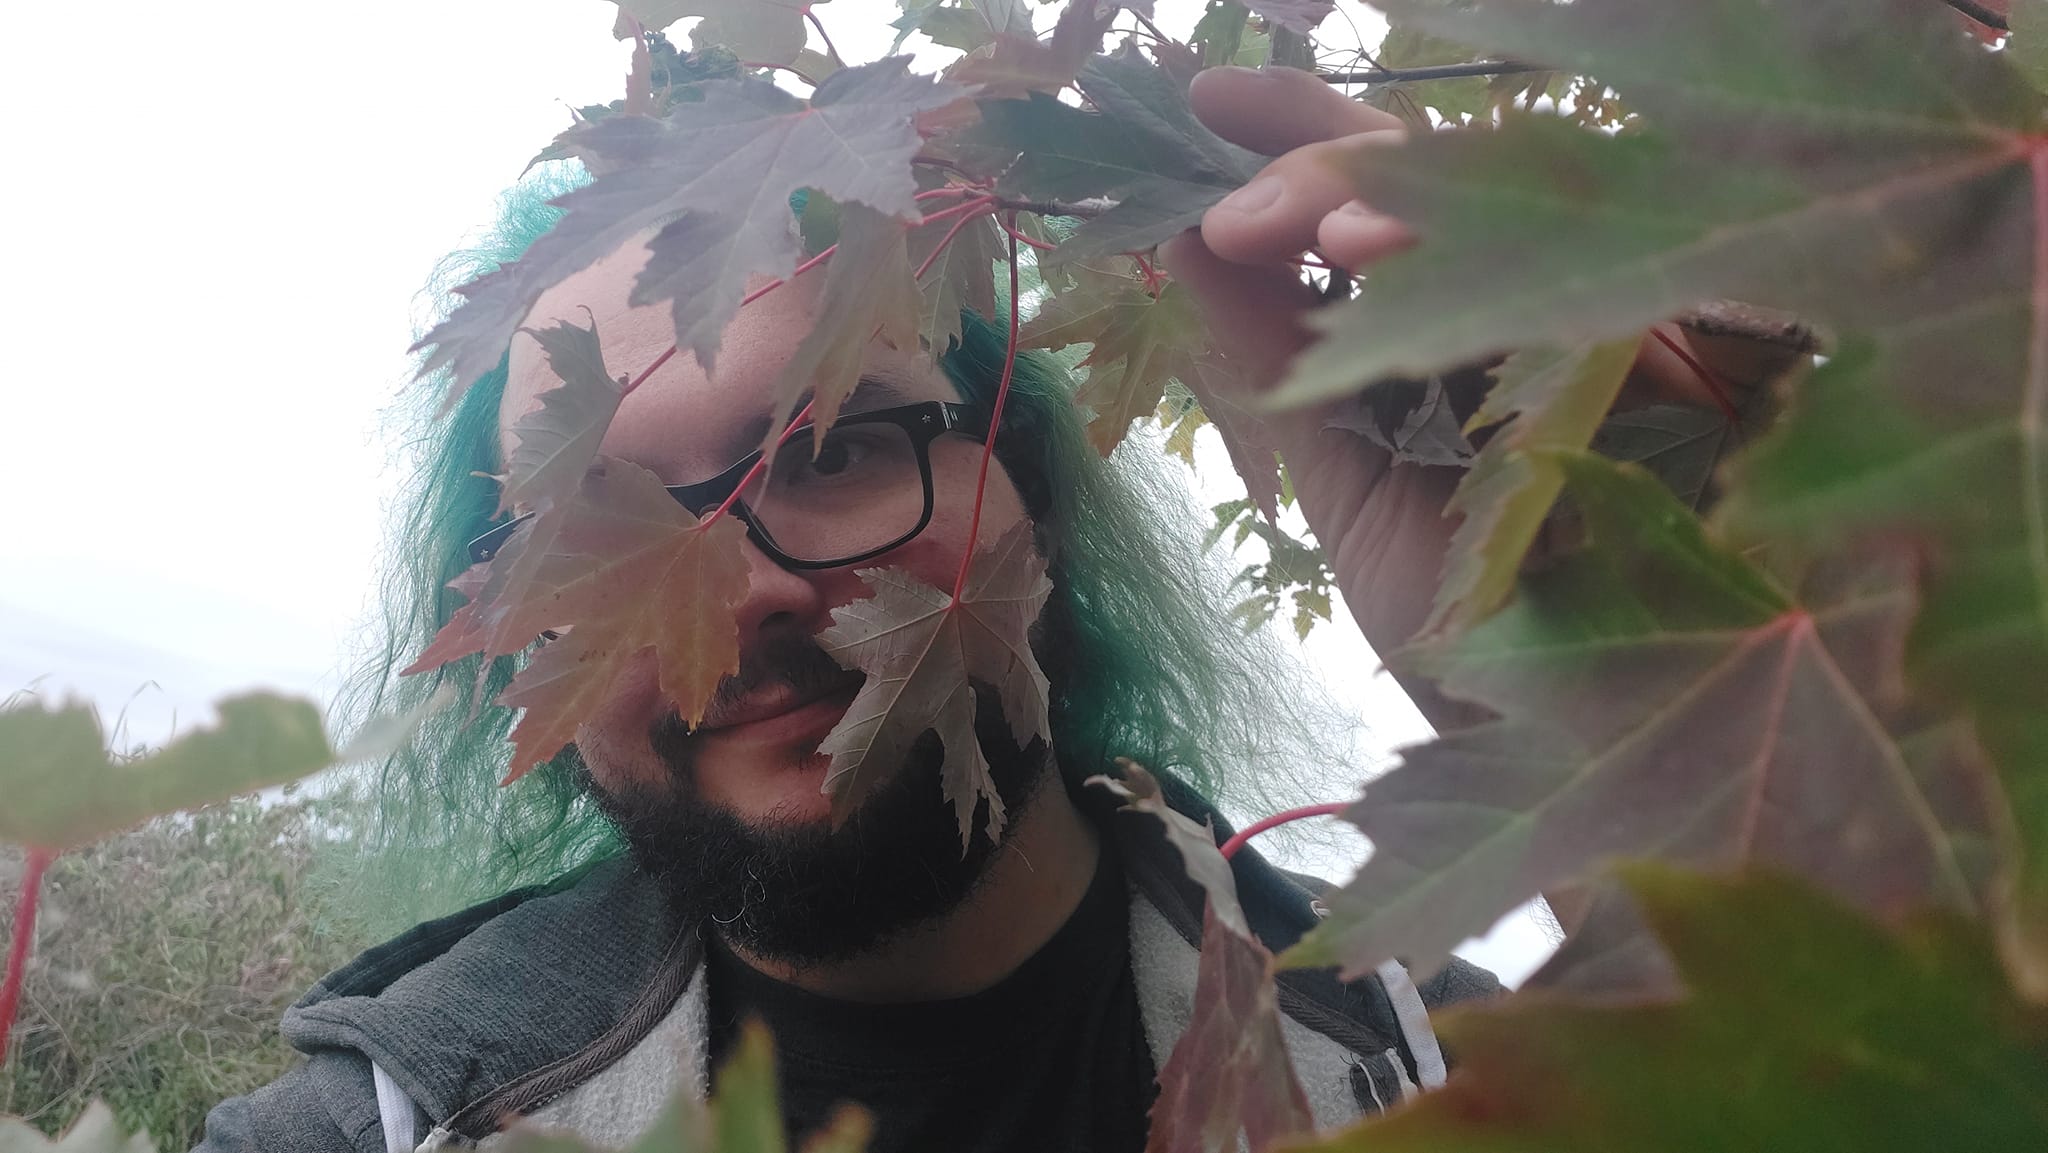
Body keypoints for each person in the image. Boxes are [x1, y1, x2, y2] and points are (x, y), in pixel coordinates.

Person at [194, 67, 1735, 1153]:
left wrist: (1638, 720)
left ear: (1034, 495)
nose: (732, 597)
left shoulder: (1439, 1081)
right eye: (596, 530)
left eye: (835, 446)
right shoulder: (373, 1129)